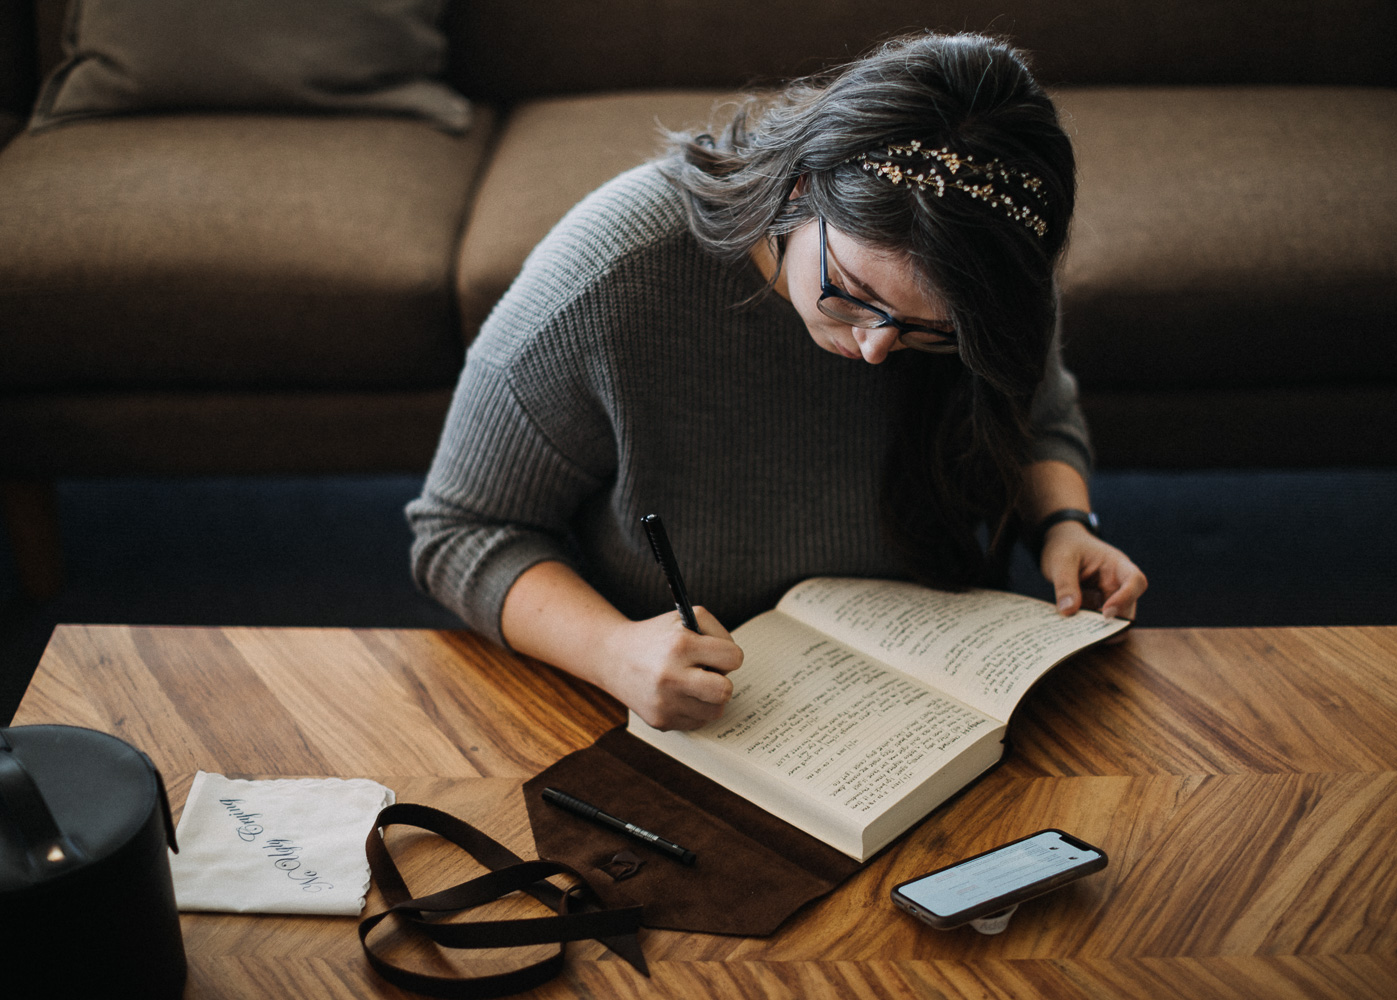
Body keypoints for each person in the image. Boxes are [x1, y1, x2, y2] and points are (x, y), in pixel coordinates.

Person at [407, 32, 1147, 732]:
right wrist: (613, 651)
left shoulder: (993, 269)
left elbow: (1039, 415)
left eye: (931, 332)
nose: (877, 346)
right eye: (852, 291)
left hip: (923, 668)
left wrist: (1062, 525)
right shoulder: (610, 278)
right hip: (678, 688)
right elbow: (462, 530)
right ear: (800, 189)